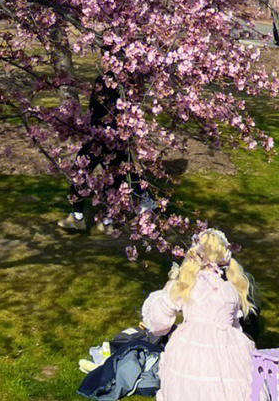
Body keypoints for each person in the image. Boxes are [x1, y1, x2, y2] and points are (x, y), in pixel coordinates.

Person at [140, 228, 254, 401]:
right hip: (228, 347)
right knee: (232, 386)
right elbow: (234, 326)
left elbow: (161, 321)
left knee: (190, 388)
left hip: (190, 347)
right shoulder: (230, 290)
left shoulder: (186, 284)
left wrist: (165, 290)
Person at [58, 76, 144, 234]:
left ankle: (80, 217)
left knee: (82, 171)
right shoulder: (126, 82)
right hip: (116, 137)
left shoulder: (107, 81)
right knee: (114, 177)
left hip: (100, 136)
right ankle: (106, 221)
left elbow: (96, 111)